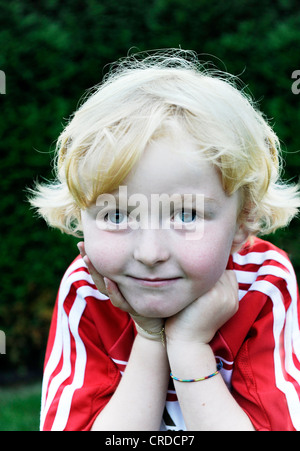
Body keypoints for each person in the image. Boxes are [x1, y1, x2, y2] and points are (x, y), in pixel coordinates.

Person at [29, 50, 300, 431]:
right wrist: (150, 339)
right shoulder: (87, 290)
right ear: (80, 217)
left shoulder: (263, 282)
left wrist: (190, 349)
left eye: (187, 215)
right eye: (117, 215)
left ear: (243, 220)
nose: (150, 253)